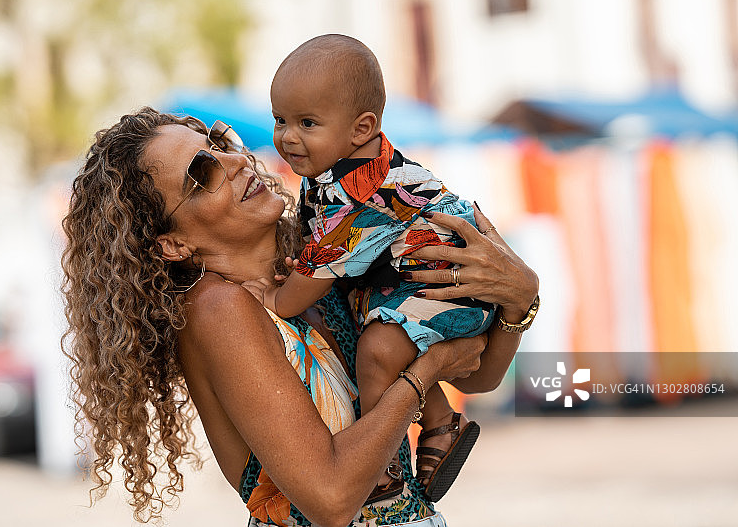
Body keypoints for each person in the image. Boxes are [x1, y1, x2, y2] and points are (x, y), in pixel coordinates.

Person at [61, 107, 538, 526]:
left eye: (219, 142)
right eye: (201, 172)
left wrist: (520, 298)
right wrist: (425, 373)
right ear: (173, 244)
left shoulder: (318, 267)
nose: (235, 161)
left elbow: (476, 373)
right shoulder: (219, 308)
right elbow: (330, 502)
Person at [248, 34, 509, 503]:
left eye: (307, 122)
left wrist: (274, 299)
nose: (287, 136)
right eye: (279, 119)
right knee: (387, 343)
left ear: (361, 127)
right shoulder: (334, 173)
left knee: (376, 353)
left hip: (449, 288)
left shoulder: (363, 189)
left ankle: (380, 466)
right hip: (407, 288)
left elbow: (326, 263)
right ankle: (440, 423)